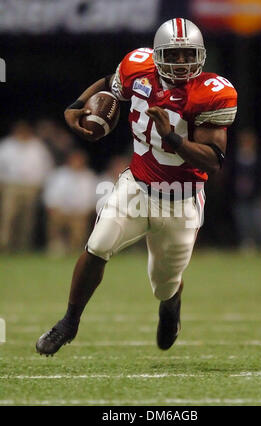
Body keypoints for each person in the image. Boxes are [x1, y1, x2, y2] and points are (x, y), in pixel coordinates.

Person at [36, 18, 237, 356]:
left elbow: (213, 160)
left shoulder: (212, 92)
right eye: (173, 56)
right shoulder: (137, 67)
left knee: (164, 282)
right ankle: (69, 322)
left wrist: (173, 138)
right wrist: (76, 105)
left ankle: (171, 304)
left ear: (200, 56)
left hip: (181, 199)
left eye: (189, 55)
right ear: (157, 55)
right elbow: (109, 84)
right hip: (137, 185)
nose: (182, 63)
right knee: (97, 245)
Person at [0, 120, 53, 251]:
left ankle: (22, 246)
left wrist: (41, 185)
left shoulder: (37, 147)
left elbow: (46, 167)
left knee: (27, 219)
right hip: (11, 185)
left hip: (31, 187)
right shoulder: (7, 145)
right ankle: (5, 245)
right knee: (8, 217)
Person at [43, 150, 98, 255]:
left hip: (80, 213)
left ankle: (74, 249)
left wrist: (85, 212)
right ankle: (56, 247)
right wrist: (55, 209)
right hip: (61, 211)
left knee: (79, 226)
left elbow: (93, 198)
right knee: (55, 221)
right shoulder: (59, 175)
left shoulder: (89, 177)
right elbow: (51, 196)